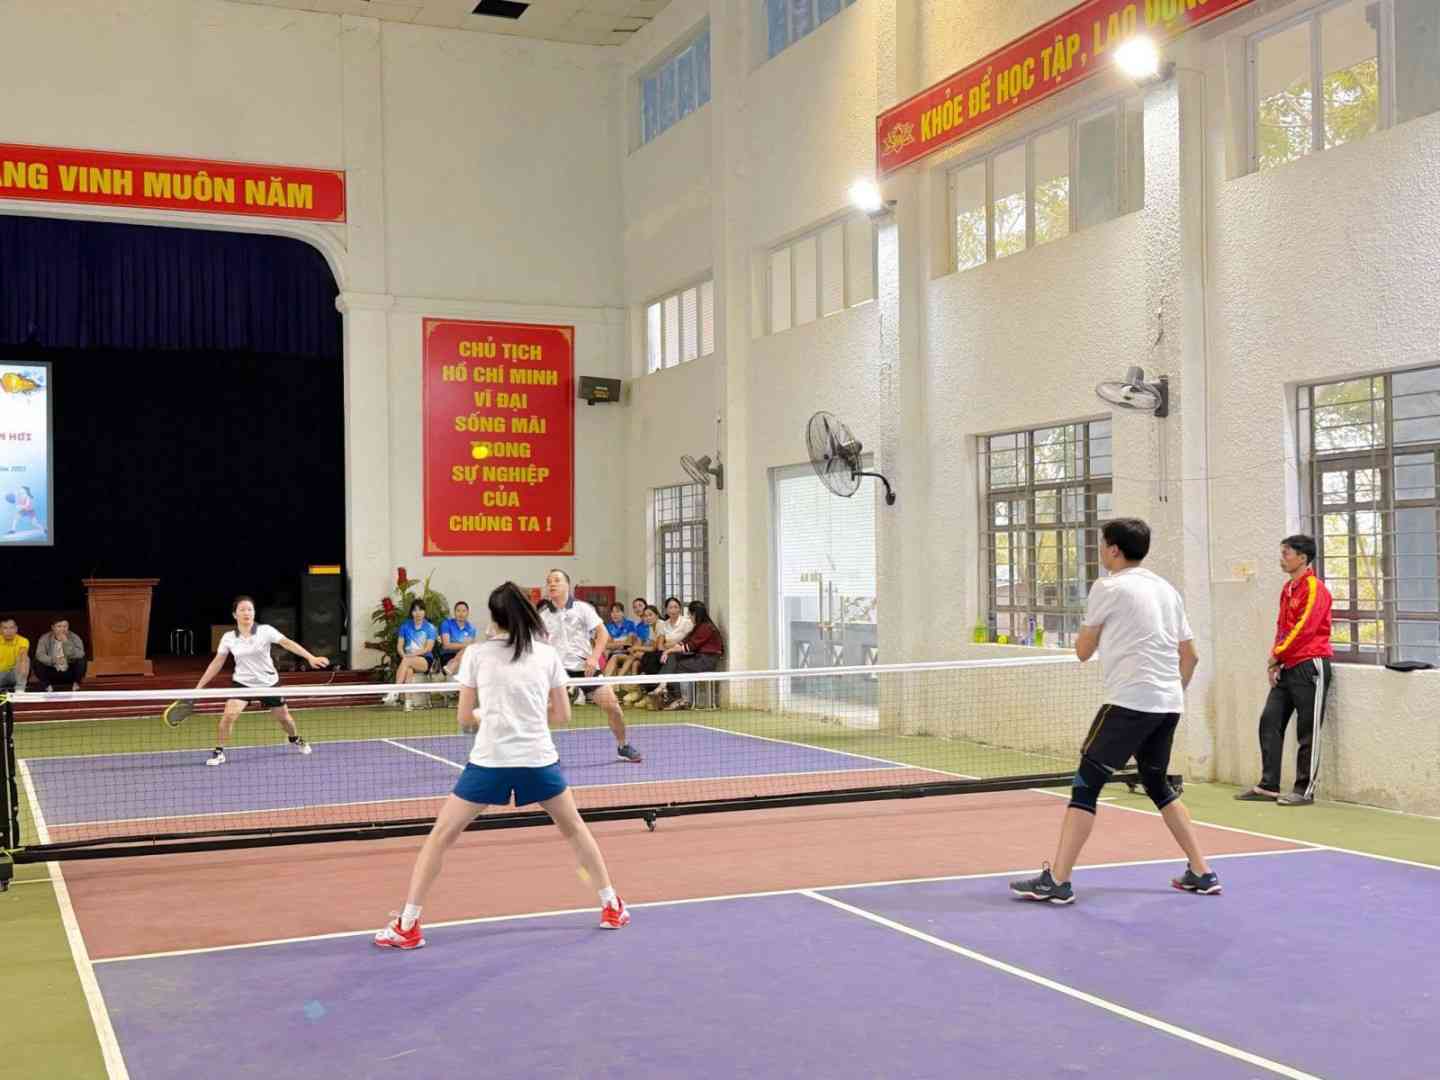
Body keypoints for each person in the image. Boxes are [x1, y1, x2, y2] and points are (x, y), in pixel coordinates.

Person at [374, 581, 630, 949]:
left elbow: (465, 719)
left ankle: (408, 924)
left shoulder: (477, 655)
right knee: (575, 829)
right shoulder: (547, 655)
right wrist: (524, 716)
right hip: (539, 761)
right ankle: (611, 906)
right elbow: (562, 715)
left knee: (440, 837)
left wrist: (489, 716)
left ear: (493, 617)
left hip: (489, 763)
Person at [1009, 518, 1220, 905]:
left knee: (1085, 785)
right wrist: (1169, 693)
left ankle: (1058, 880)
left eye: (1102, 544)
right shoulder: (1167, 590)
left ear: (1114, 550)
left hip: (1129, 703)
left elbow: (1082, 651)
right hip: (1168, 704)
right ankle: (1202, 871)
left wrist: (1098, 633)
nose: (1100, 550)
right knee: (1157, 784)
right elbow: (1190, 656)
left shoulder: (1107, 587)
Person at [1234, 534, 1334, 807]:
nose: (1282, 559)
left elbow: (1304, 629)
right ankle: (1269, 785)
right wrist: (1277, 661)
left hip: (1310, 665)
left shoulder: (1315, 588)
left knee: (1308, 731)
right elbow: (1283, 626)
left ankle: (1304, 790)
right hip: (1288, 664)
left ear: (1302, 557)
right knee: (1270, 721)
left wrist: (1277, 655)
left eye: (1286, 553)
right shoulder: (1288, 589)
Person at [194, 596, 330, 767]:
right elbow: (217, 662)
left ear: (254, 612)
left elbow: (287, 643)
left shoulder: (265, 631)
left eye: (250, 609)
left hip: (268, 683)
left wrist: (310, 657)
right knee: (228, 715)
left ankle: (295, 738)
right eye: (242, 610)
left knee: (285, 719)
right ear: (235, 614)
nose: (247, 613)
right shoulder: (229, 637)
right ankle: (219, 751)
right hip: (243, 683)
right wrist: (199, 686)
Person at [538, 569, 642, 763]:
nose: (551, 584)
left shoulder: (582, 608)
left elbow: (603, 634)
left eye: (556, 580)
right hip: (557, 670)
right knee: (542, 712)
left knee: (613, 707)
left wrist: (594, 658)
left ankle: (623, 746)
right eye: (549, 581)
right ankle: (546, 752)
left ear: (567, 585)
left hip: (585, 668)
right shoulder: (542, 615)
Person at [655, 601, 724, 711]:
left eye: (690, 614)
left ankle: (683, 699)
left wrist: (669, 650)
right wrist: (670, 650)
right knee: (673, 658)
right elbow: (686, 640)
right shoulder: (699, 626)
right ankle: (664, 687)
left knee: (679, 667)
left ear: (695, 614)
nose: (689, 617)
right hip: (700, 657)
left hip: (707, 660)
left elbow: (690, 646)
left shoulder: (706, 627)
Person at [644, 597, 693, 707]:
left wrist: (671, 645)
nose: (673, 610)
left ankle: (661, 685)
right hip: (668, 653)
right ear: (666, 610)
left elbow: (686, 642)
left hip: (684, 653)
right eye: (670, 607)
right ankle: (665, 692)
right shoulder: (664, 624)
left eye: (676, 607)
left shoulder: (686, 623)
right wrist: (669, 646)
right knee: (659, 658)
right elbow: (661, 645)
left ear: (680, 609)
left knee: (671, 656)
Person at [394, 600, 438, 710]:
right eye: (415, 610)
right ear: (411, 612)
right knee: (408, 670)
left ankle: (394, 692)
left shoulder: (430, 628)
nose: (418, 613)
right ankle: (408, 703)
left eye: (421, 610)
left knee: (407, 662)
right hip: (408, 659)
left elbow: (428, 648)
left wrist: (410, 656)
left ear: (424, 612)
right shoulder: (405, 626)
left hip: (425, 659)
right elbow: (399, 646)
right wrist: (404, 655)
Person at [619, 605, 662, 701]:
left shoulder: (660, 624)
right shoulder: (651, 627)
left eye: (650, 615)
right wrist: (636, 648)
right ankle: (634, 689)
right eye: (646, 616)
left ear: (657, 615)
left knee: (635, 655)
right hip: (653, 653)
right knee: (635, 662)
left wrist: (636, 648)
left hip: (660, 654)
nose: (648, 618)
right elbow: (650, 646)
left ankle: (619, 680)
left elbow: (654, 648)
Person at [34, 619, 87, 690]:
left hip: (69, 671)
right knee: (37, 661)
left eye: (65, 626)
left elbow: (80, 654)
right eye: (59, 626)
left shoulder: (75, 637)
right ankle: (47, 686)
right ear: (53, 627)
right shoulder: (45, 638)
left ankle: (76, 684)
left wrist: (66, 643)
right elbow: (40, 655)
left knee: (82, 659)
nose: (62, 629)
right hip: (52, 671)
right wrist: (54, 660)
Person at [439, 601, 478, 676]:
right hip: (447, 655)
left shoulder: (471, 628)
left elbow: (468, 647)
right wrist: (465, 645)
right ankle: (453, 666)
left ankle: (452, 666)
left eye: (463, 611)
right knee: (466, 651)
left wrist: (465, 646)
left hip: (462, 656)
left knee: (467, 652)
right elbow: (446, 645)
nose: (461, 614)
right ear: (454, 612)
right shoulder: (446, 624)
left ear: (467, 613)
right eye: (458, 611)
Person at [601, 602, 638, 669]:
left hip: (626, 653)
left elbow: (629, 643)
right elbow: (607, 645)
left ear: (623, 613)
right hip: (612, 653)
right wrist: (622, 643)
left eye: (617, 611)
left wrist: (614, 643)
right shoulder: (608, 626)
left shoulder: (630, 624)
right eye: (612, 612)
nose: (615, 614)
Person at [0, 617, 30, 692]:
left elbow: (23, 654)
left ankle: (20, 690)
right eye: (5, 628)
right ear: (0, 630)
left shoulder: (23, 640)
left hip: (16, 674)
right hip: (1, 673)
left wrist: (23, 663)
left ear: (16, 629)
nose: (9, 631)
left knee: (25, 659)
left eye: (11, 628)